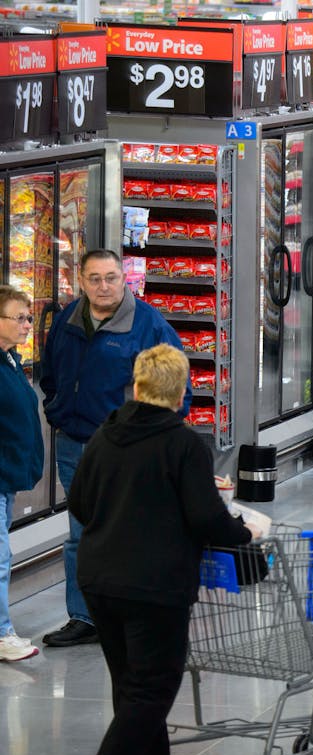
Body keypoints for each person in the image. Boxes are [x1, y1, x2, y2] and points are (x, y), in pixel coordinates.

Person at [68, 344, 254, 755]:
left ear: (136, 386)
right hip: (154, 584)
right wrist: (244, 533)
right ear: (181, 394)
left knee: (130, 682)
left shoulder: (104, 436)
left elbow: (80, 503)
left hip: (99, 578)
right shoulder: (186, 444)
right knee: (152, 688)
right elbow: (206, 519)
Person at [39, 249, 188, 649]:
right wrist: (56, 409)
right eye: (94, 279)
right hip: (74, 445)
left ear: (125, 280)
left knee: (129, 532)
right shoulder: (67, 321)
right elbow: (50, 373)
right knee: (79, 535)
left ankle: (130, 615)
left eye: (111, 277)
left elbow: (177, 388)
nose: (103, 286)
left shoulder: (148, 325)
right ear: (80, 282)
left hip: (126, 449)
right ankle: (84, 617)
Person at [0, 285, 43, 663]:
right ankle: (1, 634)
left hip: (8, 477)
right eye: (20, 318)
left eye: (28, 317)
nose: (28, 324)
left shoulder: (11, 359)